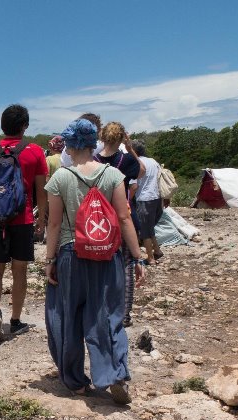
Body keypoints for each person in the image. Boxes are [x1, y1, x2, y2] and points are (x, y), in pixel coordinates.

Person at [43, 118, 146, 404]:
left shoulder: (60, 178)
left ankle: (76, 382)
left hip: (69, 254)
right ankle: (115, 373)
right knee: (108, 315)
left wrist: (49, 260)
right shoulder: (113, 175)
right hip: (107, 254)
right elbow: (124, 218)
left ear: (70, 144)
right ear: (92, 143)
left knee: (66, 316)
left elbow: (53, 225)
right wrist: (138, 258)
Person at [0, 104, 47, 341]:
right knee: (20, 271)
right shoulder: (35, 151)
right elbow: (41, 190)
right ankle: (15, 321)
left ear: (2, 125)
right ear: (25, 126)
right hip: (23, 218)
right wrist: (42, 220)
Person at [95, 122, 145, 327]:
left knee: (98, 266)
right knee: (126, 266)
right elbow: (141, 171)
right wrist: (130, 147)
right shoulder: (124, 160)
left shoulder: (93, 160)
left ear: (102, 137)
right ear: (121, 138)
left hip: (97, 219)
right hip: (120, 217)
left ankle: (99, 310)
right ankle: (123, 314)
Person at [130, 139, 164, 265]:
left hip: (144, 198)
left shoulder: (136, 163)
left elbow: (134, 186)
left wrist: (127, 200)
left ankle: (150, 258)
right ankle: (158, 251)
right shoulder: (153, 161)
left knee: (144, 230)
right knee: (149, 227)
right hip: (156, 197)